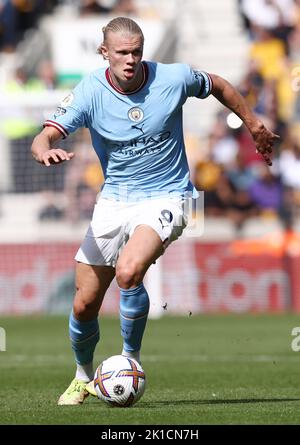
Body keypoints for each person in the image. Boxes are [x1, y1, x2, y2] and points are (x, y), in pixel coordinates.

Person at [31, 16, 279, 405]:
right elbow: (44, 134)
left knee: (129, 272)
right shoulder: (89, 92)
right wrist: (45, 148)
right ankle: (81, 376)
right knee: (83, 303)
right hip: (114, 200)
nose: (131, 60)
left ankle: (130, 362)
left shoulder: (172, 77)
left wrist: (254, 125)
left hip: (171, 195)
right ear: (104, 53)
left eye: (137, 52)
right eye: (122, 53)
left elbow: (219, 85)